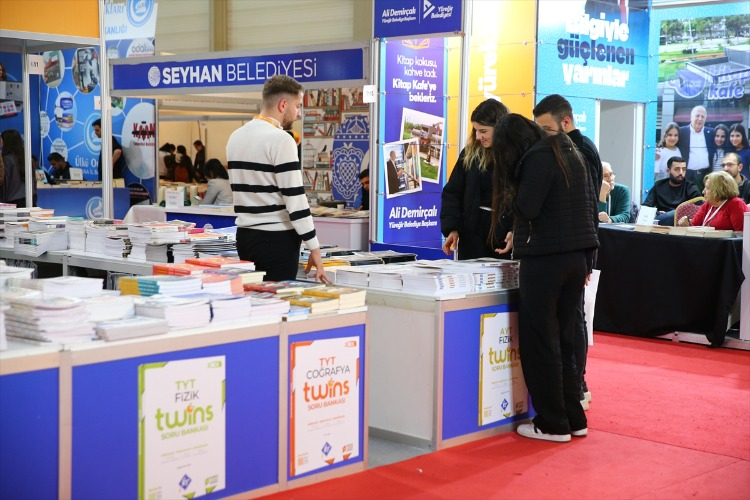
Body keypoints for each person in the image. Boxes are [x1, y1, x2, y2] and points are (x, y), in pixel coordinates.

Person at [492, 114, 598, 442]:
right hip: (576, 258)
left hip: (545, 261)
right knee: (565, 340)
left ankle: (552, 422)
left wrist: (512, 190)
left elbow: (528, 208)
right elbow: (585, 209)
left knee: (541, 342)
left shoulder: (536, 159)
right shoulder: (568, 152)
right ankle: (573, 417)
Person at [532, 94, 601, 409]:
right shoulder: (570, 148)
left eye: (547, 129)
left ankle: (578, 385)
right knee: (570, 319)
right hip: (574, 246)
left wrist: (587, 256)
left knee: (573, 320)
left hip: (575, 248)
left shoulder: (580, 150)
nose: (543, 136)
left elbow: (585, 207)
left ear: (566, 122)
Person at [226, 74, 329, 283]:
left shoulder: (235, 136)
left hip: (245, 237)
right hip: (276, 238)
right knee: (278, 300)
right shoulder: (281, 140)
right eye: (297, 106)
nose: (298, 113)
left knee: (254, 298)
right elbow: (295, 199)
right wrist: (314, 247)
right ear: (283, 104)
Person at [441, 98, 511, 259]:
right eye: (475, 130)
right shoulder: (469, 154)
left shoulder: (516, 155)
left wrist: (515, 231)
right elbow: (453, 192)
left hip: (503, 235)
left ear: (500, 128)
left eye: (483, 131)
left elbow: (524, 198)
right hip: (471, 234)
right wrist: (452, 228)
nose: (478, 136)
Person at [676, 171, 748, 231]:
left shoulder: (736, 204)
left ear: (719, 190)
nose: (703, 192)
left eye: (707, 188)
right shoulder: (708, 204)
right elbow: (693, 225)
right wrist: (687, 223)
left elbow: (742, 235)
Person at [642, 156, 702, 225]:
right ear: (668, 170)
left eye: (683, 169)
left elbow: (699, 208)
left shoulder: (691, 187)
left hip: (681, 223)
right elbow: (646, 207)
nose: (681, 173)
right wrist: (657, 213)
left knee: (673, 214)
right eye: (677, 169)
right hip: (661, 222)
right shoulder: (659, 185)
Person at [677, 105, 715, 191]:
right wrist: (658, 150)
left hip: (706, 175)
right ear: (691, 117)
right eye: (697, 115)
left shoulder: (711, 132)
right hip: (687, 175)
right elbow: (670, 142)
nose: (700, 119)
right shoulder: (681, 132)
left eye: (702, 116)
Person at [0, 129, 28, 206]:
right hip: (29, 198)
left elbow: (5, 183)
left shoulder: (7, 159)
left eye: (1, 140)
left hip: (12, 201)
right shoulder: (27, 158)